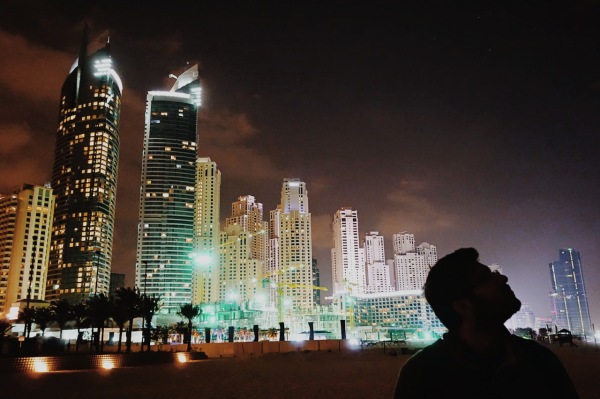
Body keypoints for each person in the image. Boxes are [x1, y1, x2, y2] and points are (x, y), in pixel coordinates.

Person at [393, 248, 578, 399]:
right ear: (463, 307)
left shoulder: (540, 360)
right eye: (485, 277)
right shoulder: (422, 376)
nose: (502, 278)